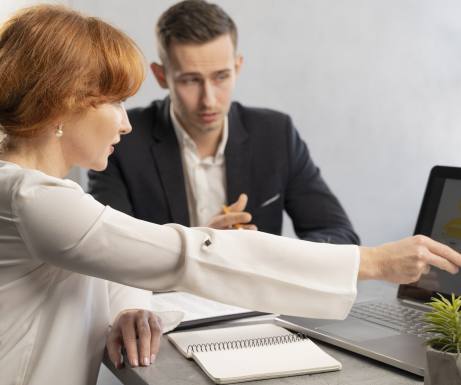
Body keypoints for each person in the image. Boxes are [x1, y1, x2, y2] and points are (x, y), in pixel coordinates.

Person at [0, 5, 461, 385]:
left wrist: (134, 301)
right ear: (63, 103)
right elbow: (181, 255)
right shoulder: (33, 200)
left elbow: (107, 258)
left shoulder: (13, 186)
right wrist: (372, 262)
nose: (125, 122)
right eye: (113, 102)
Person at [87, 0, 359, 245]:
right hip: (159, 301)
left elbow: (338, 235)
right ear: (161, 76)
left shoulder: (276, 134)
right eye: (191, 80)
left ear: (237, 68)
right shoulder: (120, 140)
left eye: (221, 77)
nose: (209, 100)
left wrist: (272, 258)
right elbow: (109, 251)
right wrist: (200, 247)